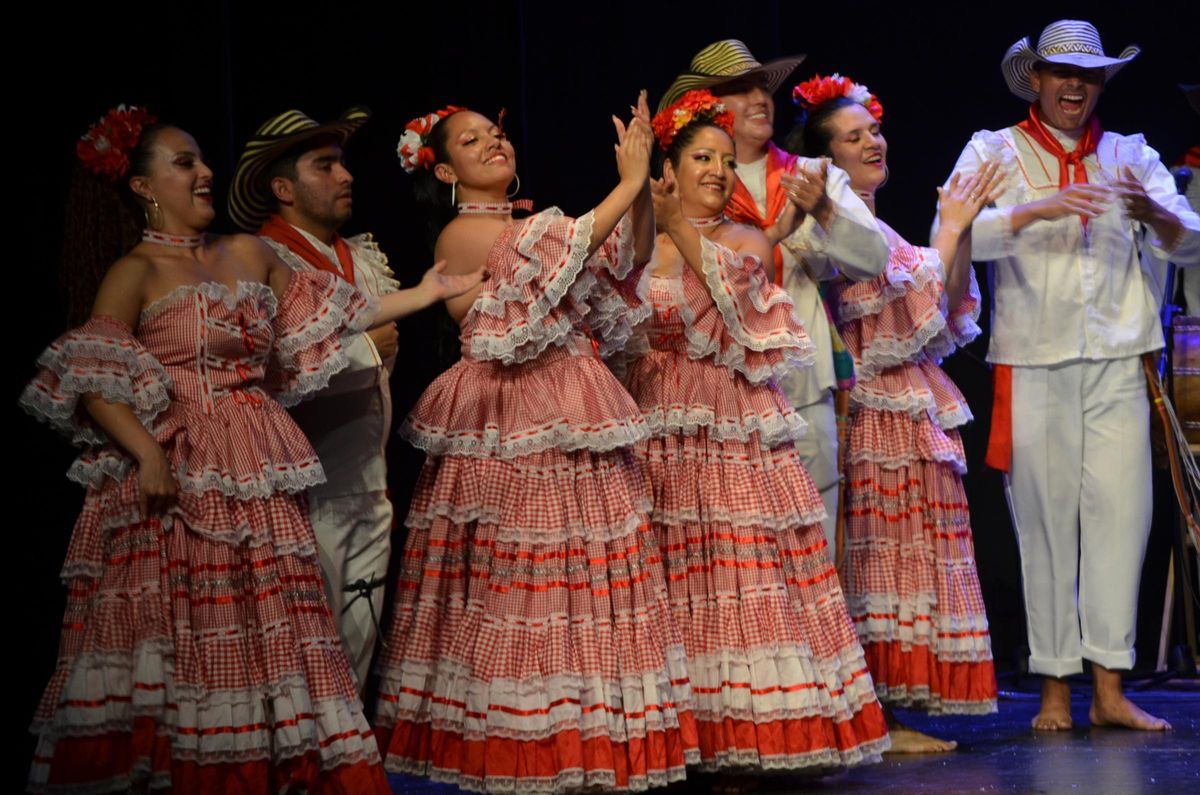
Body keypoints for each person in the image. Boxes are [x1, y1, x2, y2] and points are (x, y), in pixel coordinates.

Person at [20, 106, 484, 793]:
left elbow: (341, 313)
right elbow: (92, 379)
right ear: (146, 186)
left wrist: (425, 293)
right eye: (184, 164)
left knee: (272, 625)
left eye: (203, 160)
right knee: (192, 628)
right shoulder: (137, 270)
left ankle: (277, 770)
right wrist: (147, 452)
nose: (204, 172)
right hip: (182, 471)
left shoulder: (249, 252)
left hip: (255, 460)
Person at [373, 95, 702, 793]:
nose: (494, 142)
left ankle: (586, 734)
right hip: (512, 419)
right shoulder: (462, 233)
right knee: (529, 581)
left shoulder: (538, 225)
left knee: (585, 576)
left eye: (495, 132)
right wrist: (628, 181)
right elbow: (579, 240)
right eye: (471, 141)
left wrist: (639, 190)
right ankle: (533, 744)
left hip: (569, 406)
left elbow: (626, 254)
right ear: (446, 172)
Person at [619, 88, 888, 779]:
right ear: (669, 169)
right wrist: (638, 195)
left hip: (731, 434)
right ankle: (674, 739)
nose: (717, 169)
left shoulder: (743, 238)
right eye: (700, 157)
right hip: (658, 429)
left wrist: (678, 221)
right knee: (674, 583)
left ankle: (746, 733)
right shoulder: (644, 235)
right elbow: (615, 300)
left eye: (723, 158)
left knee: (734, 585)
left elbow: (737, 301)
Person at [944, 19, 1200, 731]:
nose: (1074, 86)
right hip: (1034, 359)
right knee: (1046, 525)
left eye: (1087, 76)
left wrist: (1158, 213)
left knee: (1122, 519)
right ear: (1036, 79)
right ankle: (1054, 688)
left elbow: (1189, 240)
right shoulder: (994, 150)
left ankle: (1111, 688)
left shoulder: (1130, 153)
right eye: (1062, 73)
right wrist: (1033, 210)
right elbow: (954, 228)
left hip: (1118, 358)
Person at [790, 74, 1002, 751]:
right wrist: (953, 225)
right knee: (877, 561)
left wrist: (955, 230)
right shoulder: (843, 223)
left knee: (904, 562)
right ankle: (874, 712)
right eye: (853, 137)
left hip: (903, 409)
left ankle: (888, 711)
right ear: (827, 158)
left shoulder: (871, 221)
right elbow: (918, 291)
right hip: (873, 412)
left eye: (873, 130)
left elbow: (940, 309)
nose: (872, 141)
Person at [658, 40, 889, 556]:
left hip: (800, 377)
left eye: (762, 86)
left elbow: (873, 259)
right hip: (719, 386)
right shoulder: (689, 182)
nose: (760, 97)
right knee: (734, 536)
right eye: (740, 89)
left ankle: (820, 636)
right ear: (710, 105)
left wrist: (826, 213)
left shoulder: (813, 175)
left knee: (814, 521)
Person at [228, 107, 399, 693]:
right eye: (325, 165)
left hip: (364, 477)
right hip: (306, 485)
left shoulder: (358, 257)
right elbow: (268, 367)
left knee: (356, 638)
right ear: (283, 188)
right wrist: (366, 352)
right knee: (307, 645)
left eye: (343, 163)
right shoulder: (268, 259)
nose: (346, 175)